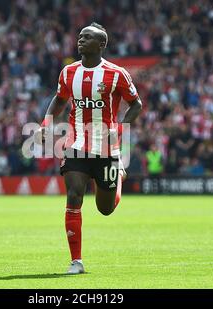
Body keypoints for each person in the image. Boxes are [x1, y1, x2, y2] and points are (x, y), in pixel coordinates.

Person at [36, 23, 143, 274]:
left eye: (87, 37)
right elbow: (59, 99)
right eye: (80, 37)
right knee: (74, 194)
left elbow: (136, 104)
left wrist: (121, 127)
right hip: (75, 143)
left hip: (106, 147)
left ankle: (117, 180)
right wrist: (46, 123)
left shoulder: (116, 74)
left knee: (105, 209)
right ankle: (76, 261)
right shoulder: (68, 72)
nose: (80, 40)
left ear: (101, 44)